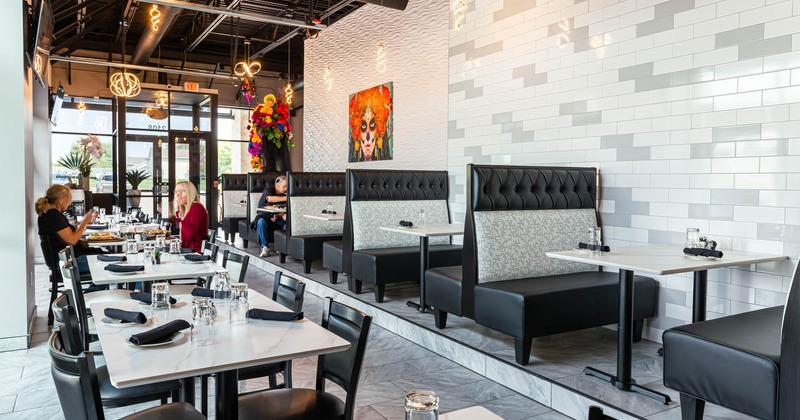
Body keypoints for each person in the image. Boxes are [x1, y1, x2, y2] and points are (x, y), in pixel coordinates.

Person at [36, 184, 99, 275]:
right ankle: (93, 289)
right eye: (69, 199)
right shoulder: (53, 216)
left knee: (110, 257)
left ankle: (94, 289)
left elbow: (67, 233)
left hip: (66, 260)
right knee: (111, 262)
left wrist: (83, 222)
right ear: (60, 199)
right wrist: (85, 221)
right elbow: (72, 240)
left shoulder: (50, 215)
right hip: (69, 263)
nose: (70, 203)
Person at [255, 175, 287, 257]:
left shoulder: (284, 194)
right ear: (277, 185)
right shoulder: (269, 189)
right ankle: (265, 247)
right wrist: (288, 197)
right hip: (264, 216)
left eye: (287, 186)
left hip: (278, 217)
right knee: (261, 222)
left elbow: (283, 209)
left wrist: (278, 215)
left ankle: (282, 247)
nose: (286, 188)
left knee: (288, 222)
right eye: (284, 186)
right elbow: (270, 199)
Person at [174, 181, 208, 253]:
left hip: (195, 252)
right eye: (176, 191)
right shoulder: (185, 210)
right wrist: (176, 212)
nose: (178, 194)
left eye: (182, 191)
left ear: (190, 193)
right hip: (186, 250)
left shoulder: (196, 207)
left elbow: (191, 233)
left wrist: (175, 219)